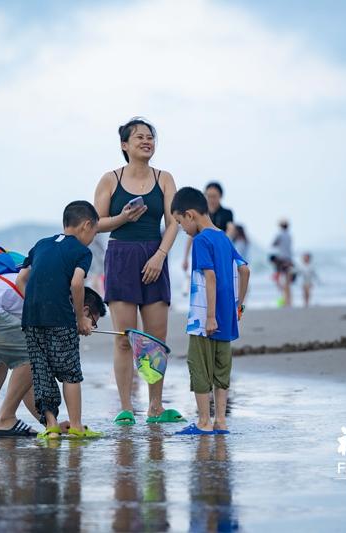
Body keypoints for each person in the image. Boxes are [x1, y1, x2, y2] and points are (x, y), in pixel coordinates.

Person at [0, 257, 107, 437]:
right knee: (30, 357)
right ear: (85, 310)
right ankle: (5, 419)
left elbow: (26, 381)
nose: (91, 327)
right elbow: (35, 364)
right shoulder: (58, 299)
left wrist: (51, 424)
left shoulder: (50, 287)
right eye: (93, 322)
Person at [93, 117, 183, 426]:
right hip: (120, 255)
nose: (147, 141)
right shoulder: (110, 179)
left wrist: (160, 255)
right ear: (124, 145)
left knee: (155, 339)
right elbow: (96, 223)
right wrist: (122, 218)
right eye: (139, 137)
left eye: (150, 137)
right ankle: (126, 407)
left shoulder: (165, 178)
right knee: (124, 338)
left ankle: (155, 406)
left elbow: (174, 222)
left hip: (154, 255)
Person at [16, 201, 103, 439]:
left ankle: (52, 427)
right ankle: (75, 426)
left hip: (32, 318)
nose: (93, 238)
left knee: (41, 371)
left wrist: (35, 301)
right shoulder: (82, 251)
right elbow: (77, 283)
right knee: (70, 372)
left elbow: (21, 278)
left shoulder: (41, 245)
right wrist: (80, 319)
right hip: (60, 319)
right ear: (87, 225)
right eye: (95, 232)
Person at [169, 187, 250, 435]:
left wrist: (211, 316)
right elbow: (244, 270)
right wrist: (238, 305)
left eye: (181, 222)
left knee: (199, 365)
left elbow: (210, 277)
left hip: (206, 317)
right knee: (221, 368)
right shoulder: (224, 238)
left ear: (190, 215)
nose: (182, 229)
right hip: (227, 316)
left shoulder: (201, 240)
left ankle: (204, 422)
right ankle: (221, 422)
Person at [181, 182, 235, 272]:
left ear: (220, 196)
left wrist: (221, 245)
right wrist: (185, 258)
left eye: (214, 196)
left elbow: (231, 229)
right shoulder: (200, 213)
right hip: (202, 252)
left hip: (221, 253)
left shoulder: (227, 213)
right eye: (208, 196)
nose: (211, 199)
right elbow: (191, 235)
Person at [272, 219, 293, 307]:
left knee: (279, 280)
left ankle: (284, 299)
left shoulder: (279, 235)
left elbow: (273, 244)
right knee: (288, 282)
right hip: (289, 259)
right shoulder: (289, 235)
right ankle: (289, 300)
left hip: (281, 259)